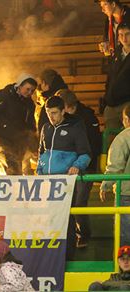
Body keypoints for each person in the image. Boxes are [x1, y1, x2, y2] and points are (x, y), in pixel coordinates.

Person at [37, 96, 92, 260]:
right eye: (48, 113)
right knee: (47, 218)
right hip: (46, 183)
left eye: (54, 113)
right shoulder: (46, 128)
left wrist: (77, 166)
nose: (51, 117)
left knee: (66, 218)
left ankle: (68, 256)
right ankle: (49, 255)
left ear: (63, 111)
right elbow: (41, 153)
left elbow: (86, 154)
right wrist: (39, 171)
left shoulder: (75, 127)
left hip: (65, 183)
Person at [57, 89, 102, 248]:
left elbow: (95, 143)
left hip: (85, 169)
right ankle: (70, 236)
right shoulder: (61, 121)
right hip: (67, 169)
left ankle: (83, 234)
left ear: (67, 106)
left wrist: (83, 162)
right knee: (67, 203)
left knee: (79, 202)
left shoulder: (88, 117)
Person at [0, 73, 38, 175]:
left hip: (19, 144)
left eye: (32, 91)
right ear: (19, 86)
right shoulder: (4, 95)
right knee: (13, 170)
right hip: (2, 140)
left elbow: (30, 126)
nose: (30, 93)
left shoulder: (29, 104)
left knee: (19, 170)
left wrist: (34, 147)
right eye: (27, 89)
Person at [100, 105, 130, 246]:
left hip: (126, 193)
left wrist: (105, 185)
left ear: (126, 119)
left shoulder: (123, 137)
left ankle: (125, 267)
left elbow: (115, 166)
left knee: (125, 237)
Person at [103, 22, 130, 130]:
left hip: (127, 103)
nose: (124, 38)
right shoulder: (116, 53)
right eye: (121, 35)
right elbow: (110, 77)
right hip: (111, 103)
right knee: (112, 140)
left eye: (127, 34)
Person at [36, 68, 69, 133]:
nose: (40, 87)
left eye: (41, 84)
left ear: (44, 83)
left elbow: (44, 124)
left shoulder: (51, 101)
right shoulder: (66, 95)